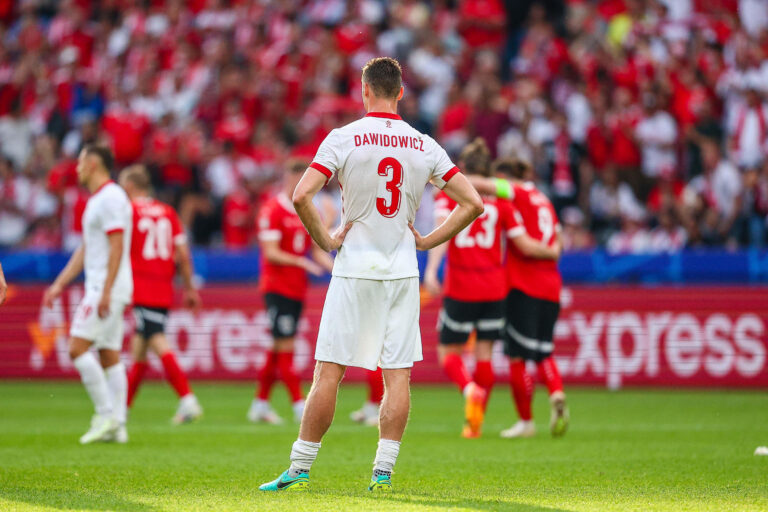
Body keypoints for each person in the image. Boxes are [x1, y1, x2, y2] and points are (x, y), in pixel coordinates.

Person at [259, 57, 483, 493]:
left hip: (354, 269)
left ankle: (300, 468)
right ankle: (382, 473)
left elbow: (301, 194)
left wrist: (325, 240)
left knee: (329, 373)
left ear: (364, 91)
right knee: (397, 375)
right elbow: (474, 203)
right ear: (401, 92)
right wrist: (427, 241)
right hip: (401, 271)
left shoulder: (344, 138)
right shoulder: (424, 144)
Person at [424, 138, 559, 438]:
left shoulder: (448, 197)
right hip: (495, 289)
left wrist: (432, 269)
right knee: (484, 355)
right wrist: (552, 248)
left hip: (461, 285)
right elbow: (522, 243)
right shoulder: (502, 204)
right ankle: (475, 424)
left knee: (449, 352)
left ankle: (469, 389)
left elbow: (442, 233)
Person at [470, 157, 568, 439]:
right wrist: (551, 252)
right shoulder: (544, 200)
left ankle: (526, 421)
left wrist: (444, 176)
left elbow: (479, 183)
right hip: (552, 285)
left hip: (524, 284)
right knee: (544, 351)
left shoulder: (519, 193)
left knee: (516, 356)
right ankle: (557, 392)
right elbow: (558, 240)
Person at [42, 145, 132, 444]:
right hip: (109, 285)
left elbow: (117, 246)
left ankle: (105, 414)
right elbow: (86, 248)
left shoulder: (110, 198)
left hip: (105, 287)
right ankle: (118, 426)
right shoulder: (100, 199)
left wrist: (105, 290)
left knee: (76, 347)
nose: (76, 167)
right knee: (109, 355)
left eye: (80, 161)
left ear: (93, 163)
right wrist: (59, 283)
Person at [247, 159, 334, 425]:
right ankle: (299, 404)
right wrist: (300, 261)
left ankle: (260, 403)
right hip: (277, 288)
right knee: (285, 347)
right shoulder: (272, 209)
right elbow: (271, 252)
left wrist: (338, 272)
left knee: (277, 347)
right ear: (289, 178)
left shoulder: (307, 208)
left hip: (297, 288)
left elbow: (318, 250)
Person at [118, 165, 204, 424]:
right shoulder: (168, 212)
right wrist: (189, 288)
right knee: (139, 350)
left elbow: (117, 250)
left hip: (140, 286)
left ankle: (188, 399)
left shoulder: (128, 211)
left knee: (155, 339)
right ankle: (121, 411)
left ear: (131, 186)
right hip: (163, 287)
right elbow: (183, 256)